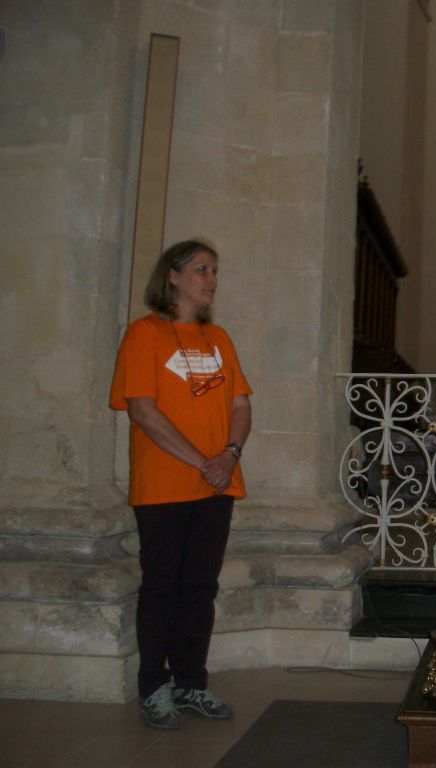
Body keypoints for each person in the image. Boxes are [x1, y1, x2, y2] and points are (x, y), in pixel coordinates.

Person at [110, 239, 253, 730]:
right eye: (201, 269)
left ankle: (191, 684)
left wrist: (227, 456)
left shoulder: (219, 339)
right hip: (164, 485)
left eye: (214, 271)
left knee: (200, 587)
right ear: (172, 276)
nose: (211, 279)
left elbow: (240, 406)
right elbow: (143, 412)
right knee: (162, 586)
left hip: (217, 484)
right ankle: (154, 687)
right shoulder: (143, 334)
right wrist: (202, 462)